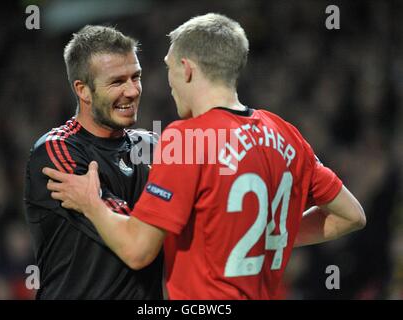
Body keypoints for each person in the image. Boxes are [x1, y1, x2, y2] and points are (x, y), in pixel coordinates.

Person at [43, 14, 366, 299]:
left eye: (169, 68)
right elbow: (351, 216)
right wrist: (267, 237)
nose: (166, 84)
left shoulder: (187, 139)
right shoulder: (285, 133)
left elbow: (137, 250)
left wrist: (91, 203)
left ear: (186, 70)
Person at [24, 25, 163, 299]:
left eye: (136, 77)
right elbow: (136, 243)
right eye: (117, 81)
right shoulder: (57, 150)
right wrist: (171, 211)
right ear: (83, 90)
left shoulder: (152, 145)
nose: (133, 91)